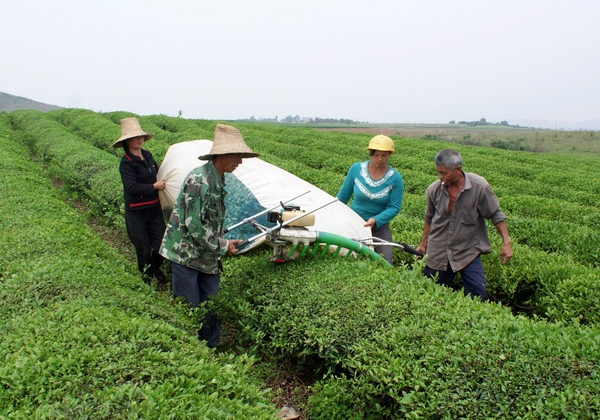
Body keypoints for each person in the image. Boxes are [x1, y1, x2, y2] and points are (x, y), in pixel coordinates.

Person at [159, 124, 260, 348]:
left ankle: (210, 350)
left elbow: (209, 220)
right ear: (222, 155)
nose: (240, 161)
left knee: (213, 305)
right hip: (186, 254)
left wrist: (223, 240)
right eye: (238, 156)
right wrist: (223, 246)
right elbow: (193, 226)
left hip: (207, 253)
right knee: (189, 308)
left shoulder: (219, 178)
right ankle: (188, 352)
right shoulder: (199, 180)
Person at [415, 149, 513, 301]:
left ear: (458, 170)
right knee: (429, 294)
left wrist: (506, 243)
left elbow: (495, 214)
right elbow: (429, 218)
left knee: (478, 295)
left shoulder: (479, 187)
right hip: (438, 251)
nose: (440, 177)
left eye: (444, 173)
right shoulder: (433, 190)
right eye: (438, 172)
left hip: (468, 250)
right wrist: (423, 244)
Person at [114, 117, 167, 284]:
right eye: (135, 137)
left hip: (154, 208)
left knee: (162, 245)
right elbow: (131, 187)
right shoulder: (126, 163)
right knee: (142, 248)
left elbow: (158, 173)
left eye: (141, 136)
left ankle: (153, 267)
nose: (139, 140)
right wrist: (153, 187)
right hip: (136, 212)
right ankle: (146, 280)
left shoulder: (147, 155)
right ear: (127, 141)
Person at [337, 134, 404, 264]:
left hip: (379, 227)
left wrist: (376, 220)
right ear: (370, 153)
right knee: (347, 258)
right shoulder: (356, 169)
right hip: (353, 221)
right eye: (376, 154)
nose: (380, 159)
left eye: (384, 155)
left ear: (390, 155)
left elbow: (394, 207)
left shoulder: (395, 178)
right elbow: (342, 197)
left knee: (385, 261)